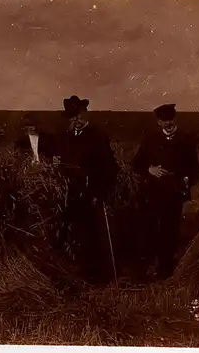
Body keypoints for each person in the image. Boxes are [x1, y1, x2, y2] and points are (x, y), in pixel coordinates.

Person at [52, 95, 119, 284]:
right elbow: (59, 161)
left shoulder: (98, 137)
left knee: (92, 236)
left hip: (90, 195)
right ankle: (72, 273)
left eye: (79, 115)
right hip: (68, 194)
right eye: (72, 117)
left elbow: (110, 168)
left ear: (86, 114)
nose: (76, 120)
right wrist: (57, 163)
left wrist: (98, 193)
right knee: (70, 234)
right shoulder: (63, 138)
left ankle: (95, 277)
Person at [132, 103, 199, 280]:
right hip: (153, 192)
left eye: (170, 119)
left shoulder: (186, 140)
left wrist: (186, 180)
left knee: (169, 229)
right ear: (158, 122)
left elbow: (195, 170)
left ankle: (165, 269)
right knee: (151, 228)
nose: (167, 123)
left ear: (174, 118)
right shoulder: (150, 140)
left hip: (175, 193)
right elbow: (136, 164)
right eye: (163, 120)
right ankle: (147, 266)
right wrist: (149, 169)